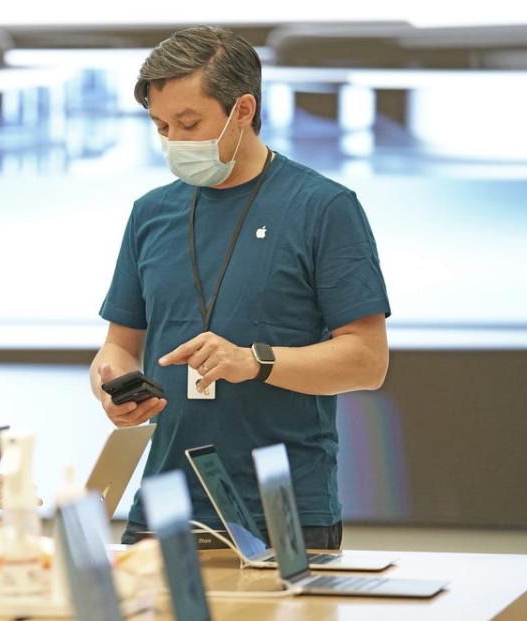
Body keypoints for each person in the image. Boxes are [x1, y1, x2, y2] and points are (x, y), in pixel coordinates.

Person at [90, 26, 390, 548]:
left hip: (284, 510)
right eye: (161, 126)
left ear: (243, 109)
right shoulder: (150, 213)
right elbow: (119, 345)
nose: (174, 142)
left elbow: (367, 362)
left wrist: (256, 361)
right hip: (164, 508)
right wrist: (111, 386)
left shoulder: (323, 207)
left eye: (188, 123)